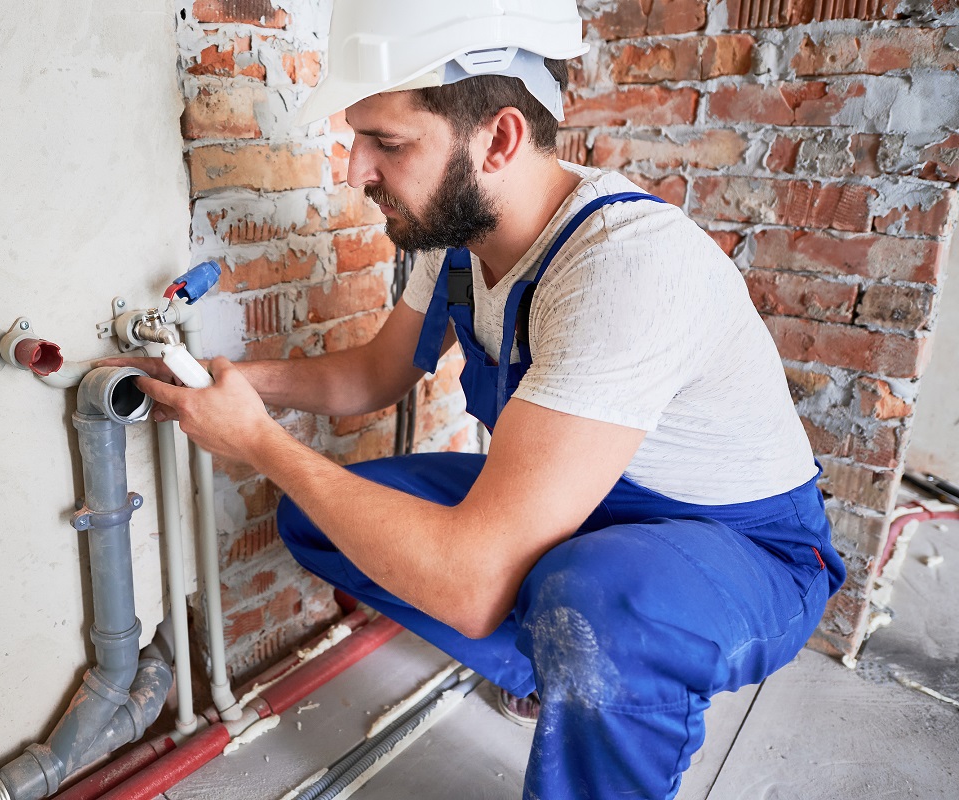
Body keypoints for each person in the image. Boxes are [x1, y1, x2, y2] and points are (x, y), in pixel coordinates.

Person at [120, 1, 846, 797]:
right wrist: (224, 383)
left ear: (499, 139)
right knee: (319, 516)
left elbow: (468, 588)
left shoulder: (622, 267)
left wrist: (259, 442)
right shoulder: (461, 239)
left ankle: (590, 673)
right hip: (585, 509)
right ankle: (557, 669)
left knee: (597, 606)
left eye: (388, 143)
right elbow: (372, 377)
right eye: (359, 138)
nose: (356, 171)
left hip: (739, 547)